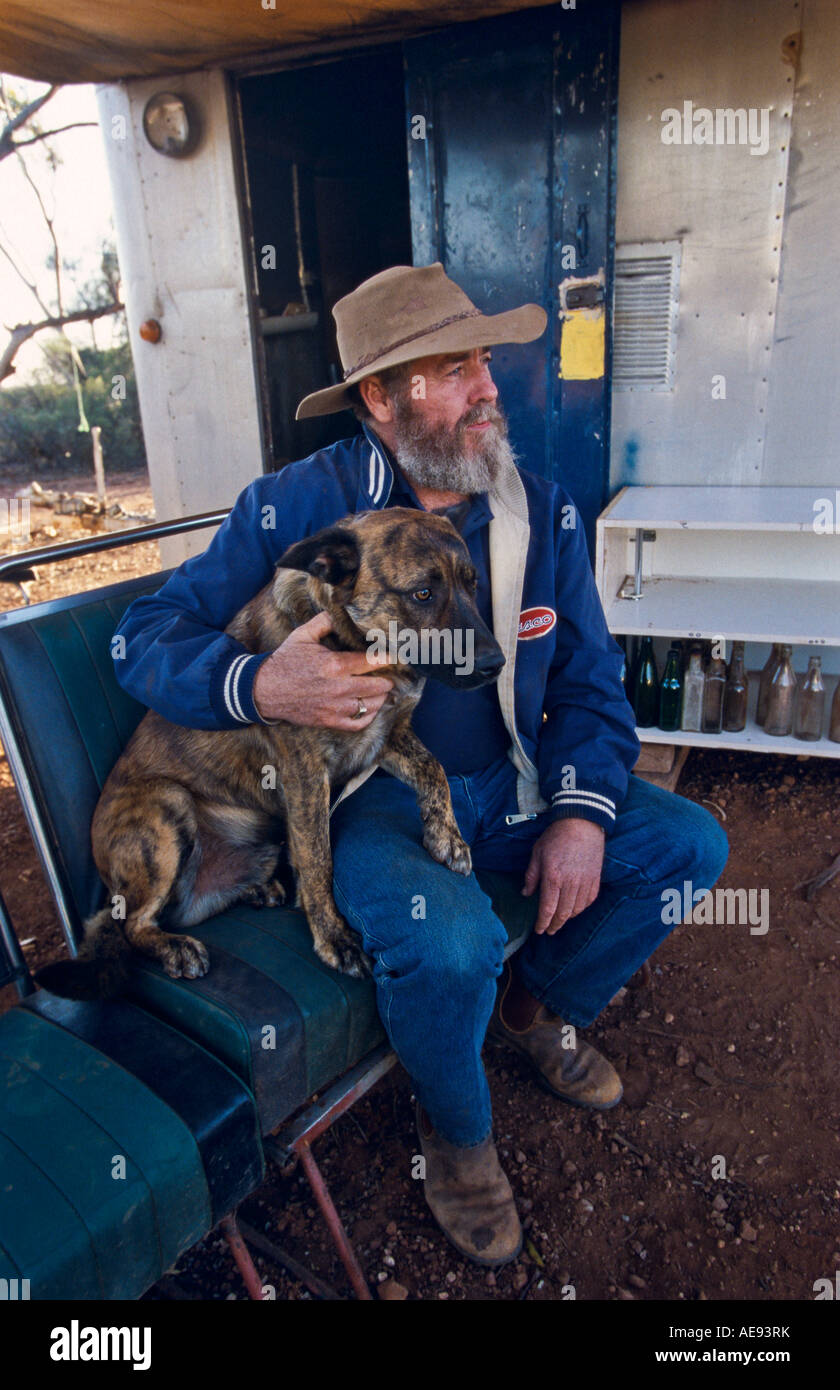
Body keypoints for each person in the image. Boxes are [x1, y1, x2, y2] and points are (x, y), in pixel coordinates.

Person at [114, 263, 729, 1268]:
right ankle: (457, 1133)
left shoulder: (539, 509)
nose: (488, 386)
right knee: (446, 947)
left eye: (483, 359)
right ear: (380, 398)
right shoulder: (294, 509)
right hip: (377, 804)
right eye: (451, 369)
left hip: (518, 783)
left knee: (689, 850)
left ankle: (541, 1006)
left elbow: (589, 680)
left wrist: (579, 812)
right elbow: (143, 633)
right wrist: (260, 684)